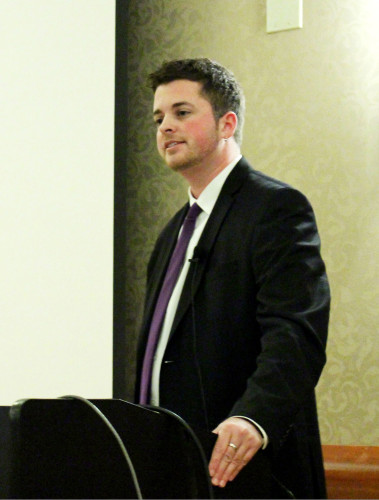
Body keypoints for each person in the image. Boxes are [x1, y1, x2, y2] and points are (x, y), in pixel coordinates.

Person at [135, 58, 330, 499]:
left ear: (227, 124)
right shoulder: (171, 235)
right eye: (159, 117)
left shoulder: (274, 208)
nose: (166, 126)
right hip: (172, 466)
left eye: (182, 113)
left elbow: (296, 331)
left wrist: (253, 418)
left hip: (245, 470)